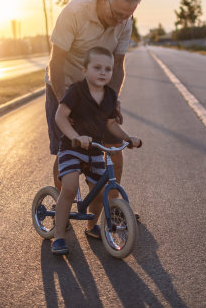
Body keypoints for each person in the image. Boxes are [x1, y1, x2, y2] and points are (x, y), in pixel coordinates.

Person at [45, 0, 141, 195]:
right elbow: (56, 62)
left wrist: (112, 101)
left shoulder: (125, 21)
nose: (120, 21)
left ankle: (114, 210)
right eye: (117, 14)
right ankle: (63, 209)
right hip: (64, 86)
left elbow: (117, 65)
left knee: (114, 148)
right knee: (68, 152)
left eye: (127, 16)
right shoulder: (75, 12)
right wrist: (63, 104)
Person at [52, 47, 141, 255]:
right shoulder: (75, 91)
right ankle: (58, 236)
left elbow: (111, 124)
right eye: (97, 68)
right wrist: (75, 137)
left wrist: (127, 138)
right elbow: (60, 117)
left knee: (102, 193)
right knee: (70, 187)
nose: (103, 72)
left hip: (94, 150)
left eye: (108, 69)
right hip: (71, 148)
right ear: (85, 70)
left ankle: (92, 227)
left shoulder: (109, 95)